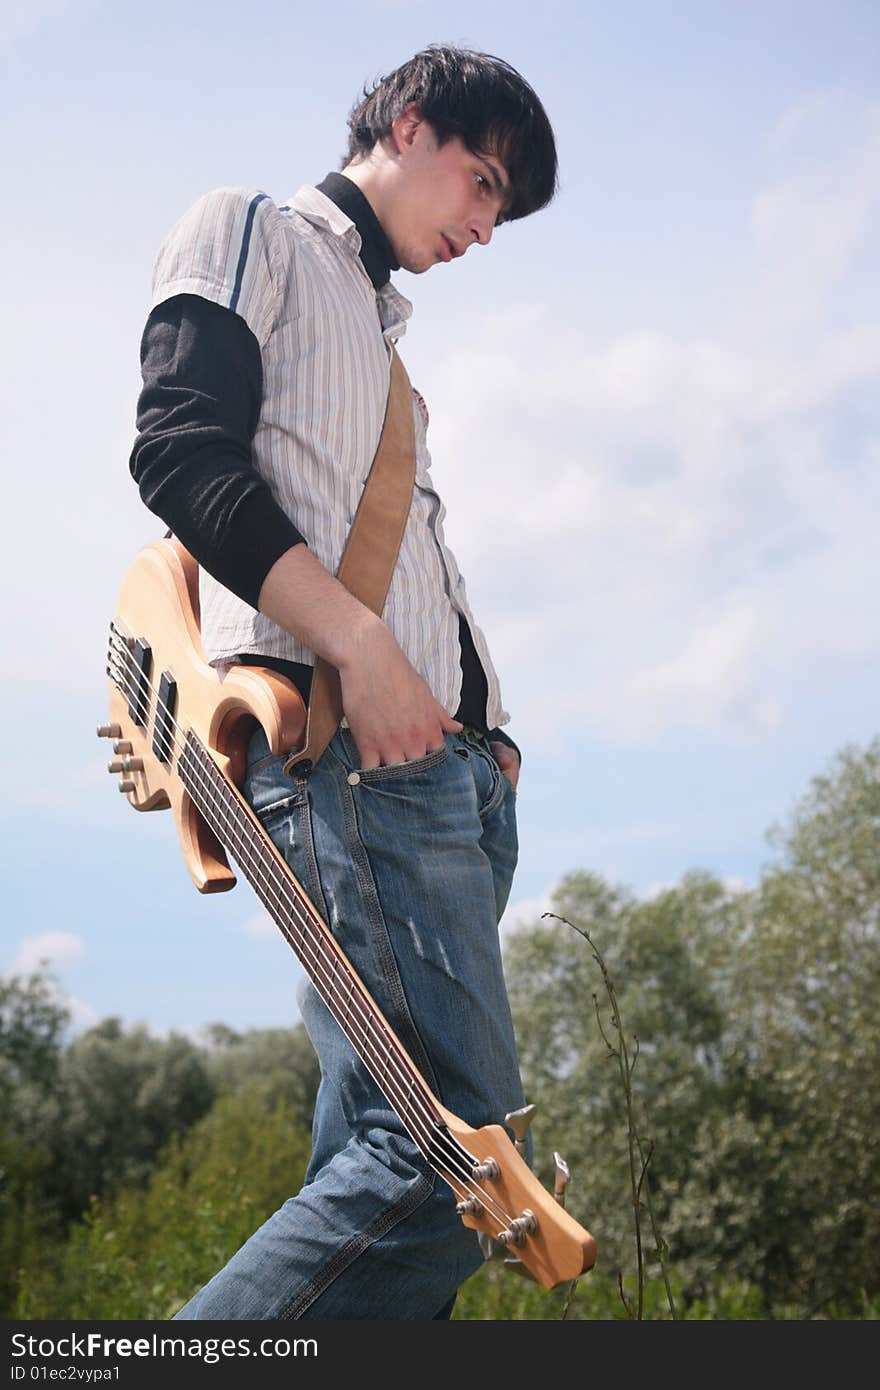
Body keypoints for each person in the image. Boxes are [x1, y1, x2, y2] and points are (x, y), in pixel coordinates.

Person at [130, 44, 558, 1320]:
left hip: (448, 784)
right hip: (356, 759)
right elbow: (178, 452)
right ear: (407, 125)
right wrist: (364, 654)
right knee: (446, 1170)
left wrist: (489, 733)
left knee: (382, 1168)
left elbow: (407, 556)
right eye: (480, 183)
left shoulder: (386, 352)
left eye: (500, 211)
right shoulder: (250, 229)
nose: (483, 228)